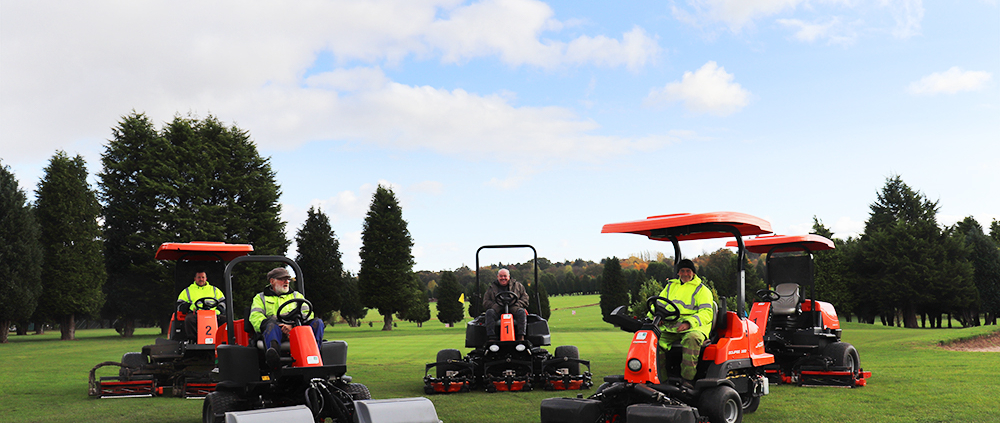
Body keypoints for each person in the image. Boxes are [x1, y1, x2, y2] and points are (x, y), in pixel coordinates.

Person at [654, 259, 714, 391]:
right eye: (682, 271)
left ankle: (687, 380)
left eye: (688, 271)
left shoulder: (701, 290)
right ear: (678, 273)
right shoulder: (670, 287)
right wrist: (657, 316)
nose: (685, 273)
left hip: (695, 326)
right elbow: (659, 304)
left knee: (691, 338)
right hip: (671, 326)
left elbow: (707, 312)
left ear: (693, 273)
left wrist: (689, 323)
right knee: (654, 341)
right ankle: (661, 380)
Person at [249, 267, 325, 356]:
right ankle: (274, 359)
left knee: (318, 322)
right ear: (272, 281)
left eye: (287, 279)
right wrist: (280, 326)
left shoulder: (297, 295)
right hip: (274, 331)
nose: (286, 282)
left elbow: (307, 313)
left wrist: (292, 326)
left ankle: (314, 355)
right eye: (282, 279)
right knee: (271, 326)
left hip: (296, 328)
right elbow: (256, 316)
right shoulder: (260, 298)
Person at [176, 270, 226, 341]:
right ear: (195, 279)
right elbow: (180, 304)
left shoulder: (214, 290)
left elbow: (223, 301)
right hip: (196, 314)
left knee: (225, 320)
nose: (201, 279)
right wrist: (188, 306)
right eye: (199, 277)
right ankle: (194, 340)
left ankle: (221, 339)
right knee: (189, 320)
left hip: (213, 314)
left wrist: (219, 310)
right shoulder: (187, 291)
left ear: (206, 278)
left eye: (203, 277)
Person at [482, 268, 529, 341]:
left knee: (521, 312)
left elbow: (525, 299)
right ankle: (491, 337)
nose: (503, 278)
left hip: (514, 308)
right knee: (489, 313)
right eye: (501, 276)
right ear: (497, 277)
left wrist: (516, 304)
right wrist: (496, 305)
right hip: (497, 310)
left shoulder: (518, 286)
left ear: (509, 277)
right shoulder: (491, 288)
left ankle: (521, 336)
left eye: (505, 276)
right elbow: (486, 301)